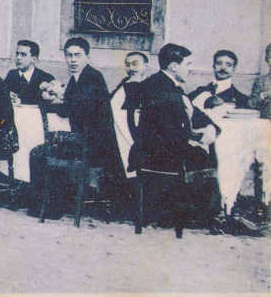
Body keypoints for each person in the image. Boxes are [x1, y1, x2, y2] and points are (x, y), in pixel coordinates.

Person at [29, 37, 126, 216]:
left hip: (96, 144)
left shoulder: (92, 77)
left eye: (77, 55)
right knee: (46, 150)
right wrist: (55, 100)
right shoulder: (77, 78)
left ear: (87, 57)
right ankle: (52, 204)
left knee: (40, 153)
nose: (73, 60)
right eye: (69, 55)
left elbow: (76, 107)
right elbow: (68, 108)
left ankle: (51, 207)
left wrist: (54, 100)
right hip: (84, 140)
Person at [131, 43, 223, 229]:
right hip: (157, 152)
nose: (190, 69)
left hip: (157, 147)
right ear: (174, 66)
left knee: (207, 149)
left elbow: (191, 111)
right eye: (188, 64)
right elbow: (168, 130)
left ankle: (194, 212)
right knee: (209, 155)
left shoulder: (167, 84)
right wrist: (197, 139)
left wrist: (210, 126)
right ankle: (205, 215)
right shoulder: (161, 88)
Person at [110, 51, 150, 177]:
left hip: (134, 134)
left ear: (146, 66)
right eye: (127, 65)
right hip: (116, 132)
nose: (131, 68)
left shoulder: (150, 85)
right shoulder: (125, 82)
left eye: (135, 64)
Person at [4, 40, 55, 105]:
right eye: (17, 54)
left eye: (23, 54)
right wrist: (8, 95)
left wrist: (22, 101)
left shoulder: (45, 78)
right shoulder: (12, 74)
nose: (18, 58)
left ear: (34, 59)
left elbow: (48, 103)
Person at [249, 43, 271, 116]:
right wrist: (263, 95)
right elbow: (251, 104)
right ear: (266, 59)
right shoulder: (260, 81)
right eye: (270, 57)